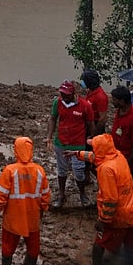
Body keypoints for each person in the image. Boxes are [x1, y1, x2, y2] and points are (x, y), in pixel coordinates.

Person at [72, 134, 133, 265]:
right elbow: (97, 156)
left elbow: (110, 199)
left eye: (94, 147)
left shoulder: (105, 169)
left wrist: (103, 220)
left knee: (100, 243)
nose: (93, 149)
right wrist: (78, 154)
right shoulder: (118, 156)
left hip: (118, 216)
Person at [0, 136, 51, 265]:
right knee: (33, 243)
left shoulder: (9, 171)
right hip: (33, 215)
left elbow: (1, 195)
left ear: (16, 151)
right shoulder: (39, 171)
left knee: (8, 244)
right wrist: (43, 209)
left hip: (13, 217)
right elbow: (45, 194)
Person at [47, 80, 95, 208]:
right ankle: (61, 195)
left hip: (78, 144)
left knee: (79, 171)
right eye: (62, 95)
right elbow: (53, 119)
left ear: (73, 93)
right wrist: (49, 137)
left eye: (67, 95)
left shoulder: (85, 105)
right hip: (61, 143)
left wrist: (92, 139)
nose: (64, 98)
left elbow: (91, 123)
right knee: (61, 171)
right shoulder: (57, 103)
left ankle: (82, 194)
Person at [109, 86, 133, 206]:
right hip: (117, 158)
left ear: (122, 101)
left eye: (114, 99)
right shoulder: (119, 111)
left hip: (128, 161)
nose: (112, 101)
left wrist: (127, 164)